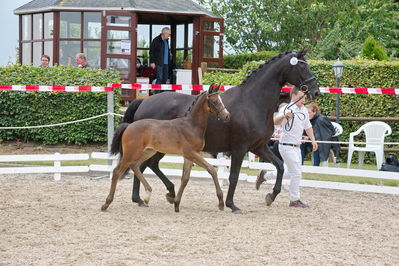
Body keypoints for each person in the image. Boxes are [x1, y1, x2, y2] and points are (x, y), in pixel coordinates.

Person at [256, 87, 318, 208]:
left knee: (291, 172)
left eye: (304, 97)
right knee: (296, 173)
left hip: (297, 146)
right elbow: (275, 121)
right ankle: (294, 199)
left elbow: (308, 126)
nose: (303, 100)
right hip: (286, 145)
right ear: (293, 96)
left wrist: (313, 140)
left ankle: (265, 176)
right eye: (300, 97)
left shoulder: (304, 110)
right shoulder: (286, 108)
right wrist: (284, 116)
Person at [149, 27, 171, 94]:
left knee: (164, 79)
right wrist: (152, 62)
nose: (169, 36)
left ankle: (162, 93)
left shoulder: (166, 40)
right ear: (164, 33)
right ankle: (157, 94)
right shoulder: (156, 40)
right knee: (159, 78)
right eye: (168, 34)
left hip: (166, 63)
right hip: (159, 63)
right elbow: (151, 52)